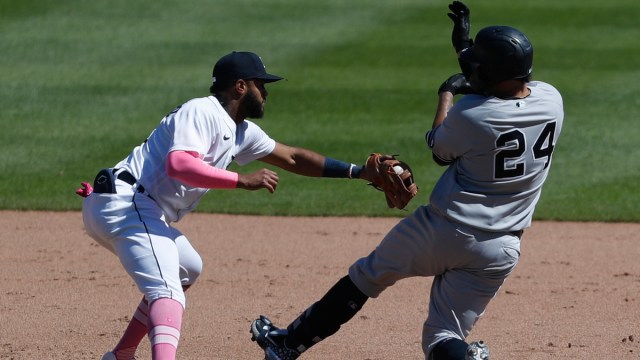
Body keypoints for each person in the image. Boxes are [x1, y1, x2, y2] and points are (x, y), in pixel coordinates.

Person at [249, 2, 564, 359]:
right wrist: (464, 49)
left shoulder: (470, 114)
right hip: (501, 248)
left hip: (442, 231)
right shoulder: (552, 99)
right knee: (443, 335)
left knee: (366, 277)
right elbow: (498, 81)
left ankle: (286, 345)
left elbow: (439, 149)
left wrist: (447, 91)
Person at [79, 51, 379, 360]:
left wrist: (357, 171)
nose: (266, 93)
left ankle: (121, 355)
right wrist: (241, 180)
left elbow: (292, 157)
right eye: (260, 85)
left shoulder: (241, 132)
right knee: (167, 292)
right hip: (128, 203)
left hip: (137, 207)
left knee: (187, 268)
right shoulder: (202, 111)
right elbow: (179, 164)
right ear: (240, 86)